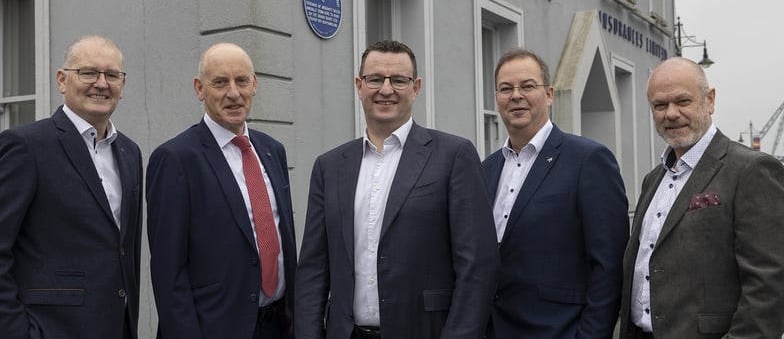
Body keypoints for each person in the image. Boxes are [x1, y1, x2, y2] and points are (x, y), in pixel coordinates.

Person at [295, 40, 499, 339]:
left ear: (415, 87)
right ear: (359, 86)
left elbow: (478, 266)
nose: (386, 89)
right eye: (375, 79)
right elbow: (313, 269)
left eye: (398, 80)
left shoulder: (454, 156)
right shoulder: (329, 167)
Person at [0, 36, 143, 339]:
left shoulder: (130, 153)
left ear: (122, 86)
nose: (101, 83)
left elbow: (125, 252)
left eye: (112, 75)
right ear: (62, 80)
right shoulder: (26, 146)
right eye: (88, 73)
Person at [620, 57, 784, 338]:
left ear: (709, 100)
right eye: (660, 105)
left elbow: (770, 286)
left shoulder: (751, 170)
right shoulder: (653, 180)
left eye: (683, 101)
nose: (671, 114)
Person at [146, 42, 297, 339]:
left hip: (279, 326)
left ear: (254, 85)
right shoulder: (176, 159)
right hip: (214, 328)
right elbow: (168, 273)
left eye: (241, 81)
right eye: (220, 82)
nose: (233, 93)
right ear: (199, 89)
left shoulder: (271, 151)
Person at [483, 48, 629, 338]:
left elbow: (609, 267)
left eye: (527, 86)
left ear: (549, 94)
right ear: (497, 99)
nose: (516, 95)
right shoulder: (486, 169)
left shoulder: (589, 160)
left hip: (559, 330)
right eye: (505, 88)